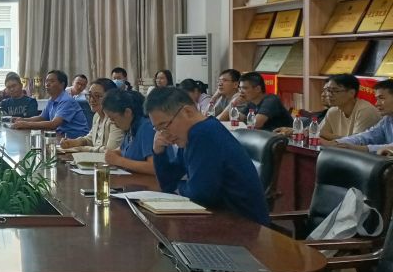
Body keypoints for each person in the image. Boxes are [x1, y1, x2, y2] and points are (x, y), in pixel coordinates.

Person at [146, 86, 269, 225]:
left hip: (245, 226)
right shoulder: (189, 136)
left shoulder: (204, 133)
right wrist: (159, 152)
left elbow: (200, 196)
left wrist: (179, 186)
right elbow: (168, 185)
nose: (164, 134)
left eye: (165, 126)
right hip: (221, 221)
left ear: (187, 112)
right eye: (158, 129)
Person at [12, 70, 88, 137]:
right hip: (61, 137)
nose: (47, 84)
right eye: (46, 81)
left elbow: (53, 124)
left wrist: (25, 124)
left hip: (77, 140)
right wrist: (22, 119)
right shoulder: (52, 99)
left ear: (62, 84)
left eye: (52, 81)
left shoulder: (67, 100)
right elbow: (42, 117)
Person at [312, 74, 382, 143]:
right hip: (337, 149)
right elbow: (318, 134)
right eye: (328, 90)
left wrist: (326, 135)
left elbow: (357, 142)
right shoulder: (333, 111)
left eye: (336, 91)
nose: (329, 95)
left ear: (352, 93)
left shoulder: (365, 111)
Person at [102, 89, 157, 176]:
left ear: (127, 112)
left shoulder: (147, 127)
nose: (112, 122)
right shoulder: (130, 127)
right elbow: (124, 150)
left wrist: (119, 161)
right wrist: (114, 154)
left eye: (113, 118)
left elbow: (154, 167)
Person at [60, 78, 123, 153]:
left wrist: (82, 148)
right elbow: (90, 139)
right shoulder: (97, 116)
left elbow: (110, 151)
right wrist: (74, 142)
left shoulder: (116, 119)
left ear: (111, 98)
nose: (91, 100)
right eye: (89, 95)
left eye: (97, 96)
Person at [335, 79, 393, 154]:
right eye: (376, 99)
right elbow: (367, 136)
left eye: (381, 98)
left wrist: (359, 148)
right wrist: (337, 143)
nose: (376, 104)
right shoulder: (387, 119)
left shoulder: (365, 109)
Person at [229, 72, 293, 131]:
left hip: (284, 137)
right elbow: (236, 120)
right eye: (240, 88)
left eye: (244, 88)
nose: (241, 91)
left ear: (258, 89)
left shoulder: (271, 100)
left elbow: (257, 124)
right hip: (265, 137)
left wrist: (244, 120)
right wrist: (233, 104)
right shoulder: (251, 102)